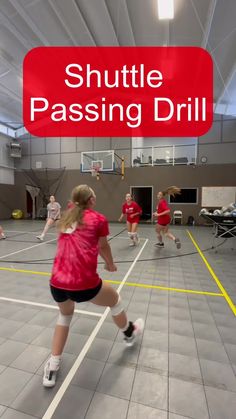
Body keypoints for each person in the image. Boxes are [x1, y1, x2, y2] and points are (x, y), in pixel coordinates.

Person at [43, 184, 144, 387]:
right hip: (84, 284)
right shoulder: (98, 219)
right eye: (94, 196)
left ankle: (52, 367)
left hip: (57, 282)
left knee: (64, 315)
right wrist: (110, 264)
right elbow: (103, 246)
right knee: (115, 300)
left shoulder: (65, 216)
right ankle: (129, 332)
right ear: (90, 200)